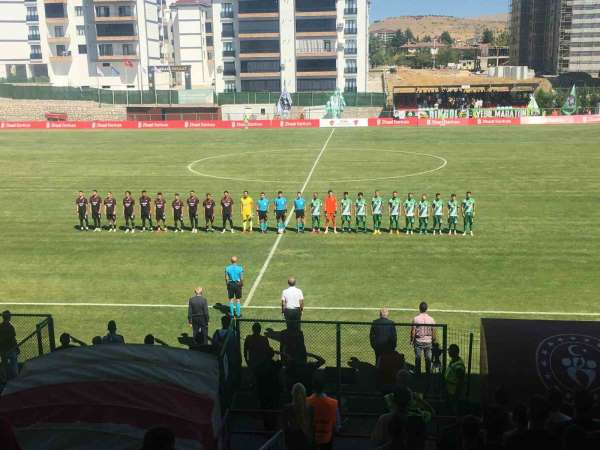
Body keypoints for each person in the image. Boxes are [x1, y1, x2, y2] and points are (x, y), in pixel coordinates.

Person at [307, 372, 340, 450]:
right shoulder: (333, 403)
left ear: (313, 388)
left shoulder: (307, 401)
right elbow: (337, 423)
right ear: (324, 388)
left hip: (311, 437)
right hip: (327, 436)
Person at [282, 383, 315, 450]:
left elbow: (285, 428)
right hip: (306, 441)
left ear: (293, 394)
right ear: (304, 394)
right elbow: (312, 428)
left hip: (293, 441)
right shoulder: (311, 409)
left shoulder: (288, 408)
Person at [410, 302, 435, 375]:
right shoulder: (431, 319)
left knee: (418, 359)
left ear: (419, 308)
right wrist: (433, 340)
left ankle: (418, 374)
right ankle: (428, 374)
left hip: (418, 341)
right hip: (428, 342)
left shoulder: (416, 319)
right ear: (426, 309)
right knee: (428, 359)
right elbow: (433, 331)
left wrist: (411, 340)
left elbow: (413, 331)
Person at [0, 310, 18, 380]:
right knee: (14, 363)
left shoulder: (0, 327)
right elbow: (13, 339)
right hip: (11, 349)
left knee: (4, 364)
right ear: (9, 317)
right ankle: (15, 379)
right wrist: (16, 348)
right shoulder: (11, 327)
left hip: (3, 349)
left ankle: (3, 379)